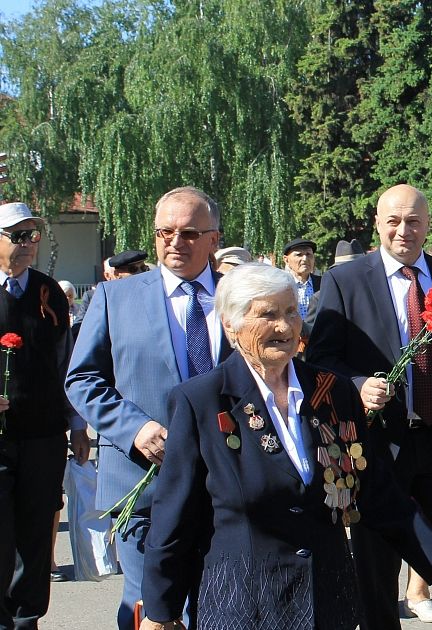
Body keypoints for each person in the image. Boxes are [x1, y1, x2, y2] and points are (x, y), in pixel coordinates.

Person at [136, 263, 432, 630]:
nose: (284, 327)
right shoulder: (201, 401)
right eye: (267, 315)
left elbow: (374, 488)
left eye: (291, 312)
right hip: (243, 607)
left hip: (328, 602)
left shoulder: (333, 391)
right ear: (230, 325)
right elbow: (175, 515)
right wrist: (161, 611)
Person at [307, 184, 432, 630]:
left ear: (427, 225)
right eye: (393, 221)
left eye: (413, 221)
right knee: (376, 567)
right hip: (379, 446)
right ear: (376, 224)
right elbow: (319, 360)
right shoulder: (345, 282)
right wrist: (358, 385)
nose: (403, 231)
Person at [67, 186, 231, 628]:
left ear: (214, 238)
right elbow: (82, 380)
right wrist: (134, 430)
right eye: (165, 232)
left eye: (190, 233)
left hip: (227, 483)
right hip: (144, 485)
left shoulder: (240, 298)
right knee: (150, 611)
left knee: (220, 608)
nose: (175, 242)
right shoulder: (114, 298)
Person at [0, 202, 88, 629]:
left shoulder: (48, 292)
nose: (26, 245)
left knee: (36, 536)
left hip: (43, 435)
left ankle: (26, 619)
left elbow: (64, 365)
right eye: (16, 236)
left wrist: (77, 426)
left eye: (32, 235)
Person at [78, 249, 150, 321]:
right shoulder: (105, 299)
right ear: (117, 274)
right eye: (133, 269)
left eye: (143, 268)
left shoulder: (152, 294)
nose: (140, 273)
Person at [282, 238, 320, 321]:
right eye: (299, 255)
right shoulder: (280, 286)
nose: (305, 259)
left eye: (308, 254)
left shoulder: (324, 284)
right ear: (286, 260)